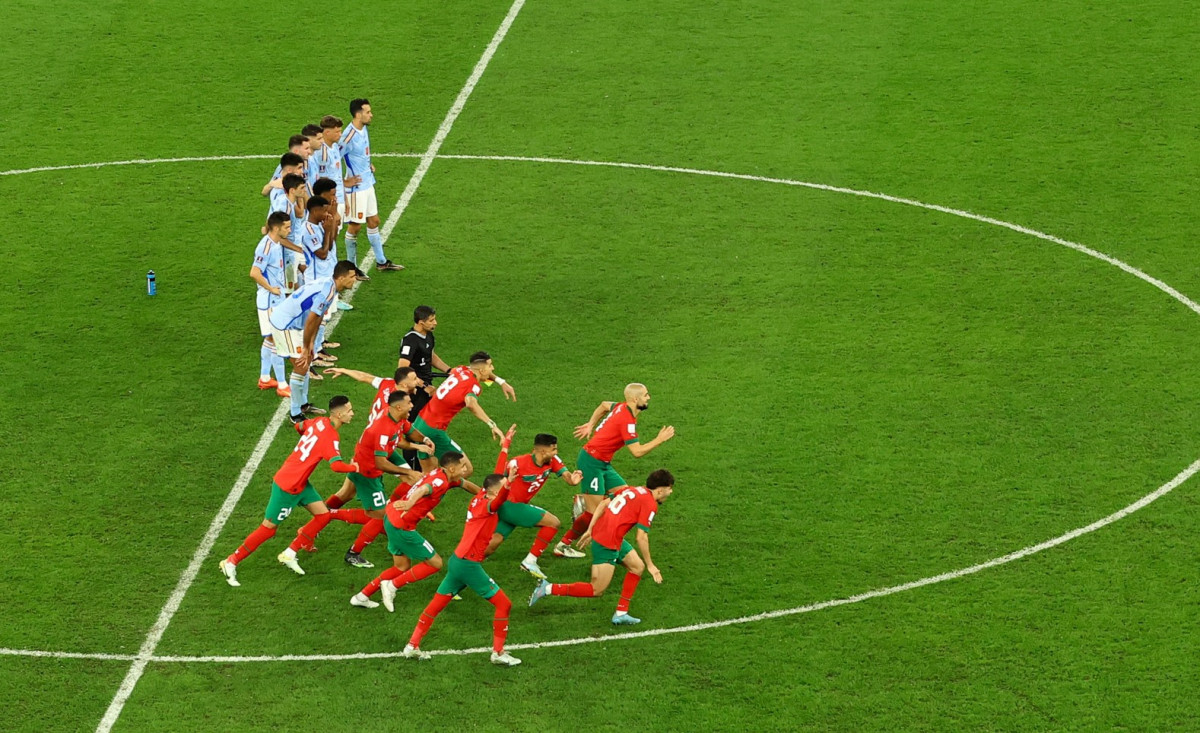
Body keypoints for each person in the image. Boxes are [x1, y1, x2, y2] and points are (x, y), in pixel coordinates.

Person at [218, 396, 359, 586]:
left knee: (323, 515)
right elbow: (336, 466)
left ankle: (291, 552)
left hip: (300, 482)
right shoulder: (331, 436)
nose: (352, 414)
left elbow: (299, 427)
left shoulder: (318, 421)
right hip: (288, 486)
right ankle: (231, 561)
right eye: (349, 411)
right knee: (268, 529)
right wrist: (354, 467)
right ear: (339, 414)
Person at [290, 390, 431, 572]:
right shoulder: (382, 428)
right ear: (398, 407)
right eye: (409, 403)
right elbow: (381, 462)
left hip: (368, 458)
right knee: (381, 515)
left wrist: (423, 441)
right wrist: (407, 471)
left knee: (345, 495)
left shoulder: (395, 416)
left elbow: (405, 432)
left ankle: (310, 528)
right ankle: (352, 552)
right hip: (367, 470)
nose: (412, 405)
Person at [402, 463, 524, 666]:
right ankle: (498, 653)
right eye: (503, 487)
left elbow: (494, 481)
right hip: (468, 565)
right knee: (504, 604)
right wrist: (509, 483)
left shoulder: (479, 498)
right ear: (494, 492)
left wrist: (504, 449)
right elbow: (499, 499)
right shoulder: (488, 505)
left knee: (435, 605)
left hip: (457, 561)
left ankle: (412, 645)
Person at [529, 469, 675, 625]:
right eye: (670, 488)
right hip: (608, 542)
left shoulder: (633, 489)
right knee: (596, 589)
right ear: (660, 490)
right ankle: (548, 588)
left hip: (608, 534)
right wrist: (651, 565)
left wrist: (591, 529)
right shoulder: (650, 504)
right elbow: (641, 537)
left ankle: (621, 613)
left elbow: (604, 503)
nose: (671, 492)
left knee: (637, 567)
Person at [554, 384, 675, 558]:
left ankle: (589, 500)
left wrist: (590, 425)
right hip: (591, 462)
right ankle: (563, 545)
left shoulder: (621, 406)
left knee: (623, 496)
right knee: (593, 514)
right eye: (646, 395)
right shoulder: (626, 421)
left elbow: (604, 405)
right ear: (635, 399)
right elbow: (637, 452)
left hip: (602, 463)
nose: (648, 397)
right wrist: (659, 439)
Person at [352, 451, 481, 610]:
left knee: (401, 566)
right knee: (435, 563)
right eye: (463, 467)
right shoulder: (440, 482)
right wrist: (410, 503)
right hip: (402, 526)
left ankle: (361, 597)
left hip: (391, 518)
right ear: (452, 469)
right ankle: (391, 586)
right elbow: (423, 489)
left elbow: (466, 484)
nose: (465, 470)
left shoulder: (444, 475)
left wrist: (485, 496)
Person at [267, 260, 363, 423]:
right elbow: (311, 319)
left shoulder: (329, 285)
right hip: (286, 325)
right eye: (352, 276)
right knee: (301, 366)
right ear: (341, 278)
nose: (355, 280)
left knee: (306, 363)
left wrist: (311, 343)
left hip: (293, 323)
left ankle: (303, 404)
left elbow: (318, 318)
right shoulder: (327, 292)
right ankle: (295, 414)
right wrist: (306, 347)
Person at [485, 433, 582, 580]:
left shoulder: (552, 461)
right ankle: (530, 561)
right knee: (553, 522)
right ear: (543, 451)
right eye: (553, 449)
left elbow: (567, 475)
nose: (556, 452)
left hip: (515, 508)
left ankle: (466, 562)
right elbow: (496, 477)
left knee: (493, 543)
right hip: (509, 505)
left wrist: (573, 480)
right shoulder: (518, 463)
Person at [411, 351, 512, 477]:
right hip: (434, 431)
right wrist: (492, 425)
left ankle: (424, 487)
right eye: (490, 365)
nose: (493, 368)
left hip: (419, 425)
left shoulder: (461, 369)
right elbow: (471, 403)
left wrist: (500, 381)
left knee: (428, 474)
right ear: (481, 370)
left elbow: (481, 372)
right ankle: (439, 485)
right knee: (465, 469)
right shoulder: (473, 385)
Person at [341, 98, 401, 271]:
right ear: (358, 114)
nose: (371, 115)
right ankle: (351, 268)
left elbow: (360, 154)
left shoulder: (363, 129)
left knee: (374, 221)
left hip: (368, 183)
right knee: (355, 226)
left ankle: (381, 262)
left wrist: (368, 163)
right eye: (368, 112)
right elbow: (334, 160)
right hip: (356, 188)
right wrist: (344, 181)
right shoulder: (348, 136)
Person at [250, 212, 293, 396]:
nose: (289, 230)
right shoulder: (265, 247)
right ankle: (282, 385)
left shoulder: (276, 243)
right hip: (269, 301)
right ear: (276, 228)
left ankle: (265, 378)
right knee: (277, 340)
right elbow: (254, 272)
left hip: (277, 298)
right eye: (287, 227)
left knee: (270, 339)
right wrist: (271, 288)